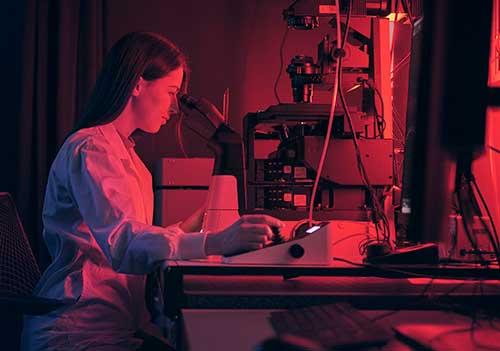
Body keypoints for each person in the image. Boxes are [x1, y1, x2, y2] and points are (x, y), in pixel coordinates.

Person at [21, 31, 282, 351]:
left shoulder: (127, 157)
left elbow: (132, 235)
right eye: (172, 91)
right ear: (137, 83)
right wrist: (218, 241)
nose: (175, 107)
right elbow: (125, 244)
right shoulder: (92, 148)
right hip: (76, 331)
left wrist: (195, 223)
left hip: (111, 324)